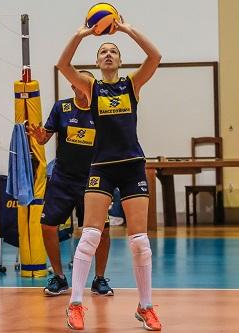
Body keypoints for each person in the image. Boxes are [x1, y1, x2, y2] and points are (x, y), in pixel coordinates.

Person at [57, 16, 162, 331]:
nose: (107, 55)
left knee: (140, 241)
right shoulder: (91, 86)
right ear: (97, 60)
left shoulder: (132, 84)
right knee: (90, 234)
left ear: (120, 60)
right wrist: (80, 35)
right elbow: (63, 65)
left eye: (112, 52)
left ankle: (146, 307)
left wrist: (128, 29)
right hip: (101, 166)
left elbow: (155, 56)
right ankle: (75, 304)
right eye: (102, 51)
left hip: (131, 165)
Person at [28, 73, 114, 298]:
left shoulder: (102, 109)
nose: (82, 88)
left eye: (86, 85)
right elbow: (44, 137)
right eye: (78, 84)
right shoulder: (61, 108)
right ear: (73, 87)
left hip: (94, 180)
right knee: (47, 226)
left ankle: (99, 278)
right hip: (63, 180)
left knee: (102, 231)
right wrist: (39, 136)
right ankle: (59, 277)